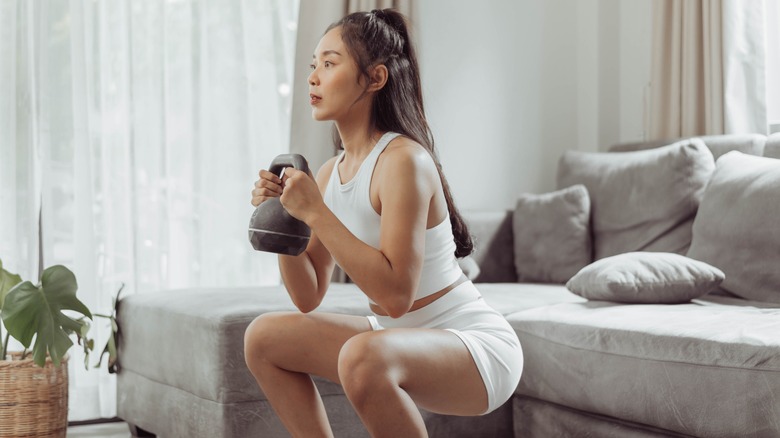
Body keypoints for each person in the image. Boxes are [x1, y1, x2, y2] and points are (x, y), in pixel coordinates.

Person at [244, 9, 522, 438]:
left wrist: (316, 211)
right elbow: (307, 295)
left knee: (361, 355)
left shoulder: (403, 161)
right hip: (395, 340)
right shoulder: (328, 173)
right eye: (313, 65)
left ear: (374, 79)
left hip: (474, 347)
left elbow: (395, 297)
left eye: (330, 63)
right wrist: (286, 222)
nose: (314, 77)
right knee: (263, 338)